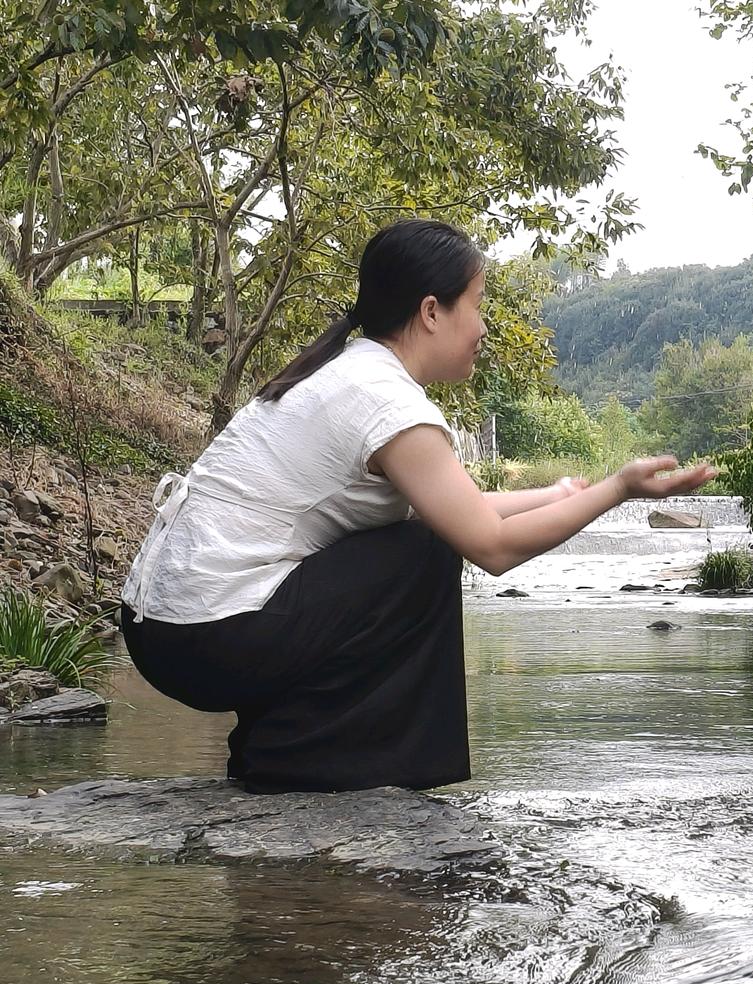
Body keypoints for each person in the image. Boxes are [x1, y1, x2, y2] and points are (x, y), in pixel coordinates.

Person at [120, 219, 716, 794]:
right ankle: (308, 764)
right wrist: (617, 490)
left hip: (165, 629)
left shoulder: (349, 373)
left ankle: (289, 754)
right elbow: (490, 545)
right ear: (432, 311)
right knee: (426, 551)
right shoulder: (385, 401)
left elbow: (455, 502)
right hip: (209, 634)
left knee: (425, 536)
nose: (484, 328)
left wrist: (566, 495)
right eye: (477, 304)